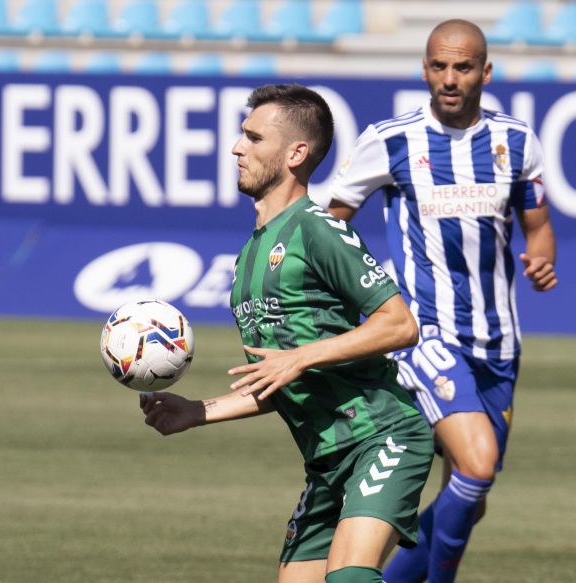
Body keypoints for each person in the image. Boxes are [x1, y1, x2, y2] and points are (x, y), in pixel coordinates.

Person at [140, 84, 435, 583]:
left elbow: (399, 324)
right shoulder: (247, 259)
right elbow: (282, 380)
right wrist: (197, 413)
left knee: (349, 577)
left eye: (253, 138)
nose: (237, 147)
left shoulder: (317, 229)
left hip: (383, 436)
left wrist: (299, 358)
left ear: (296, 153)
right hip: (325, 460)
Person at [326, 20, 558, 583]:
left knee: (471, 495)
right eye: (438, 66)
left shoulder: (516, 141)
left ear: (485, 72)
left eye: (462, 67)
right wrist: (367, 295)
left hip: (498, 342)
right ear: (424, 69)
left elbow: (539, 224)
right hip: (426, 334)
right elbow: (331, 221)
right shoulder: (391, 138)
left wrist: (542, 256)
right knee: (476, 467)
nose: (449, 79)